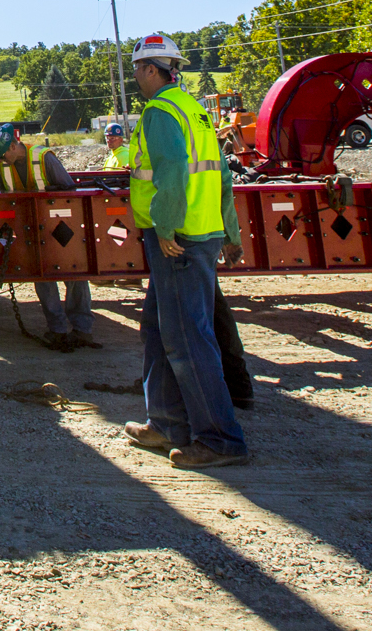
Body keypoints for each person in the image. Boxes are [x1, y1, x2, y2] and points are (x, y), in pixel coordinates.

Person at [121, 34, 249, 469]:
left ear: (152, 70)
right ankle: (165, 423)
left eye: (138, 70)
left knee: (188, 340)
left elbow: (173, 171)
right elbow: (223, 178)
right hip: (202, 232)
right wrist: (230, 233)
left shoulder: (159, 111)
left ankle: (219, 439)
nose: (136, 77)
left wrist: (165, 227)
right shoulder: (194, 111)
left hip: (179, 239)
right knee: (158, 332)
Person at [0, 126, 99, 352]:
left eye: (2, 154)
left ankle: (82, 329)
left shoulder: (43, 158)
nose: (0, 159)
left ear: (12, 145)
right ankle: (57, 330)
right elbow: (2, 200)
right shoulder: (4, 165)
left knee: (74, 273)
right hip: (31, 228)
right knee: (42, 276)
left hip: (61, 227)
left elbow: (70, 192)